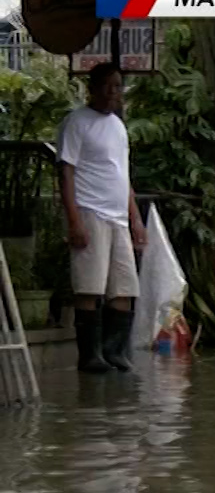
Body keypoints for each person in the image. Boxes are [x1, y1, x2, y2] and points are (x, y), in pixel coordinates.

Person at [57, 62, 146, 374]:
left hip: (119, 217)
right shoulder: (77, 122)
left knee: (123, 288)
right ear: (91, 88)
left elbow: (123, 176)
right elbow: (65, 172)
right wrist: (74, 221)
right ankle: (90, 355)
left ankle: (114, 352)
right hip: (90, 212)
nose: (113, 92)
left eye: (118, 86)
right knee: (89, 285)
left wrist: (135, 219)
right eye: (107, 85)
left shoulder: (118, 126)